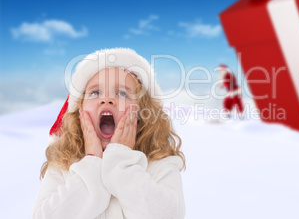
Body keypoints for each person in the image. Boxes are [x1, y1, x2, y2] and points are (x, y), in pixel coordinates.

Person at [32, 47, 186, 219]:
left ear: (143, 113)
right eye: (95, 92)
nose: (107, 99)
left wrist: (121, 163)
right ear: (79, 111)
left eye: (122, 93)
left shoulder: (160, 164)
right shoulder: (63, 164)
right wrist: (92, 163)